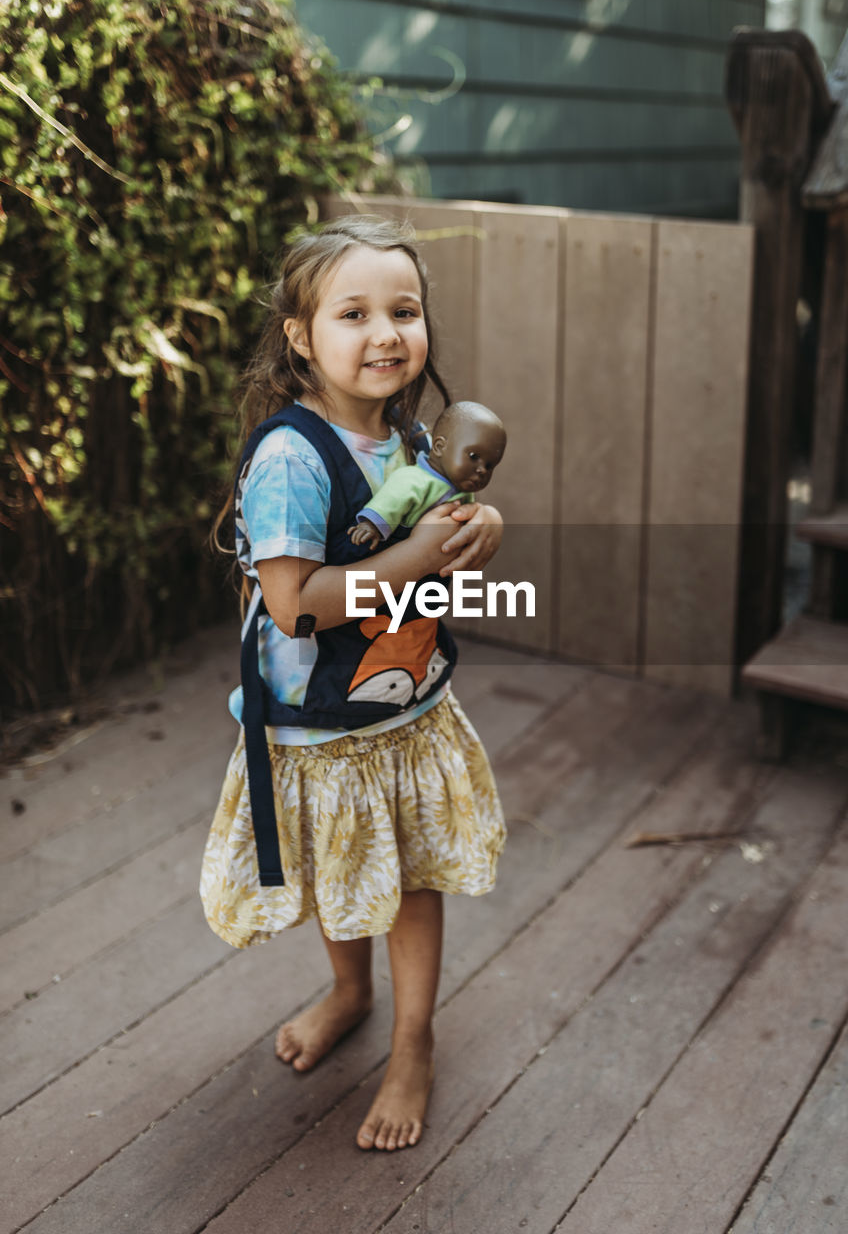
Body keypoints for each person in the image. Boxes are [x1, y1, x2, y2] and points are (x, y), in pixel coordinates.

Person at [200, 214, 506, 1153]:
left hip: (406, 716)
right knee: (343, 878)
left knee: (410, 881)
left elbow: (429, 537)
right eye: (354, 313)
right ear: (301, 335)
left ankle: (412, 1040)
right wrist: (415, 554)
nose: (385, 334)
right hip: (318, 729)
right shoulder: (291, 459)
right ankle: (349, 991)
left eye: (403, 311)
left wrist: (476, 528)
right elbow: (294, 604)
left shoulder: (411, 436)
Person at [347, 401, 506, 551]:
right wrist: (372, 525)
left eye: (489, 466)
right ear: (439, 447)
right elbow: (389, 502)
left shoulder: (464, 492)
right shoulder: (413, 480)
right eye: (473, 456)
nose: (482, 470)